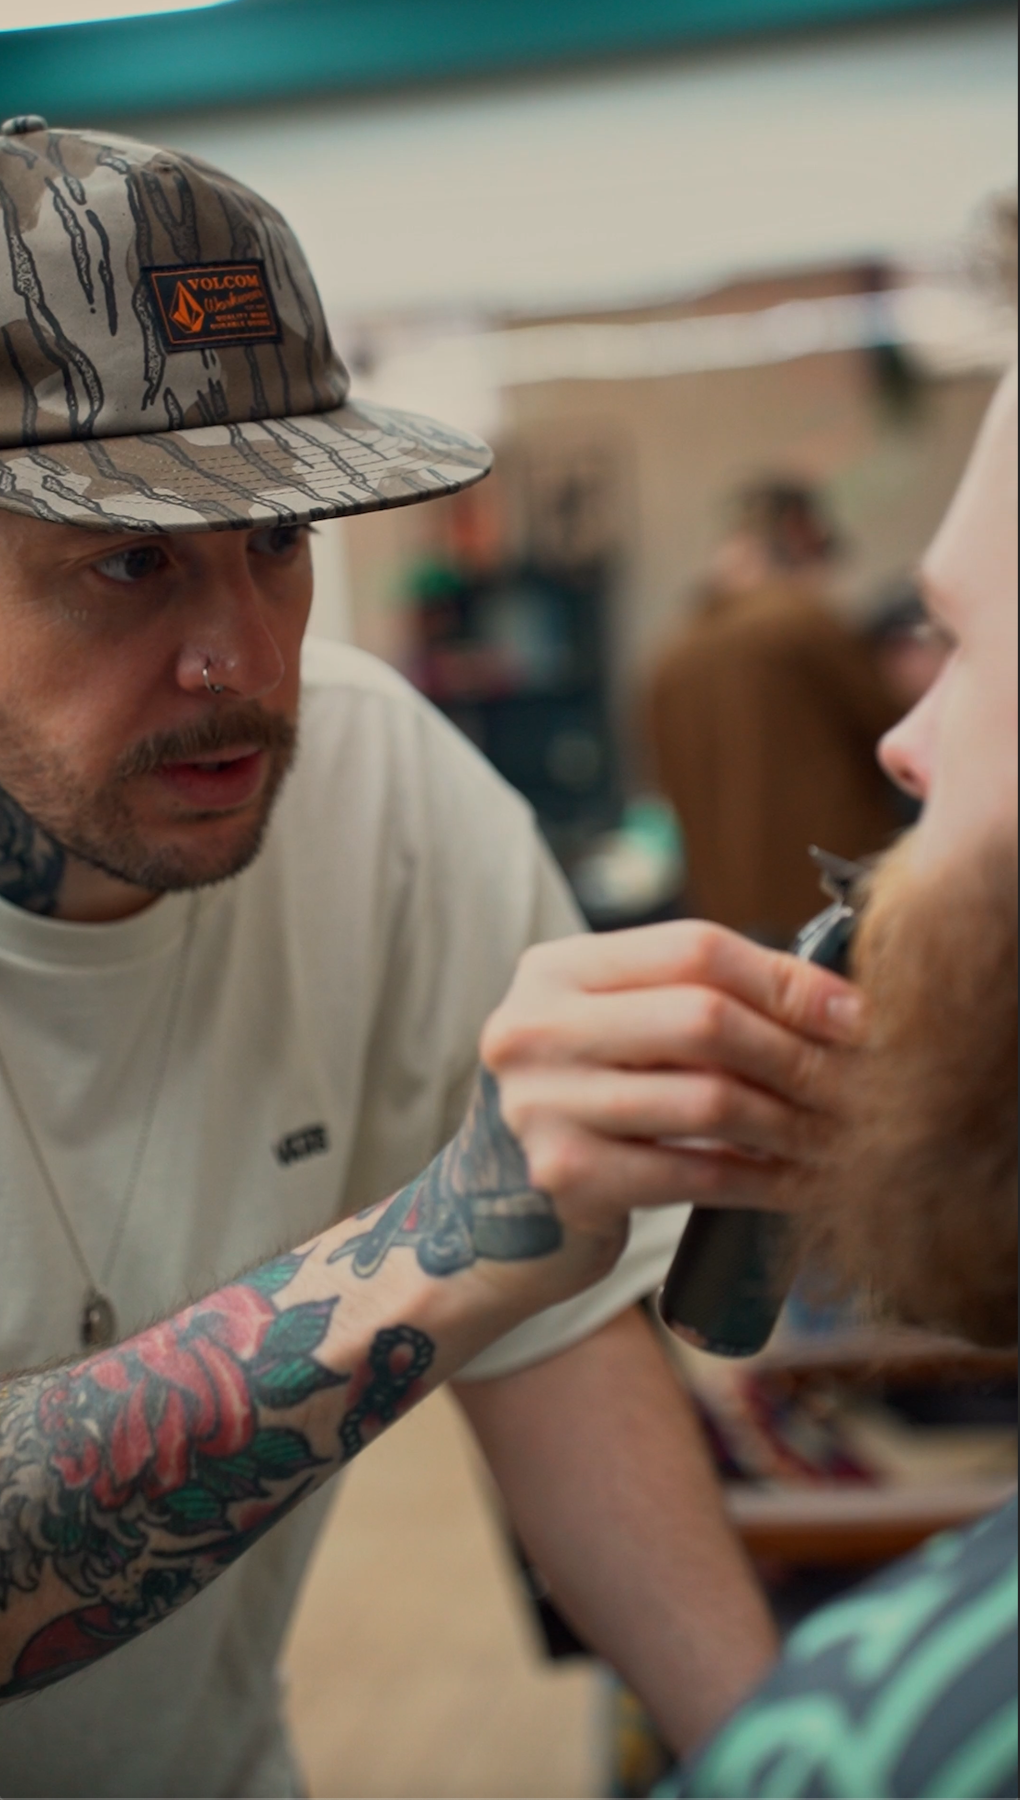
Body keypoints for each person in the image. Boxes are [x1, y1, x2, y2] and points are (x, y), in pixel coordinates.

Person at [0, 120, 856, 1795]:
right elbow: (484, 1267)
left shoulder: (375, 783)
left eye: (278, 545)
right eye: (127, 562)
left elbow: (555, 1348)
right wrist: (443, 1241)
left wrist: (800, 1767)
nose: (239, 661)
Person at [486, 366, 1018, 1800]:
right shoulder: (804, 638)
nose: (918, 740)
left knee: (793, 1284)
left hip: (750, 929)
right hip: (888, 969)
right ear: (799, 538)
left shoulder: (669, 653)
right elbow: (879, 738)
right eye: (938, 638)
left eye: (970, 644)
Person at [643, 480, 903, 941]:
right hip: (832, 910)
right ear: (802, 542)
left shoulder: (668, 659)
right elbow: (894, 736)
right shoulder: (801, 623)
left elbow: (661, 783)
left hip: (728, 921)